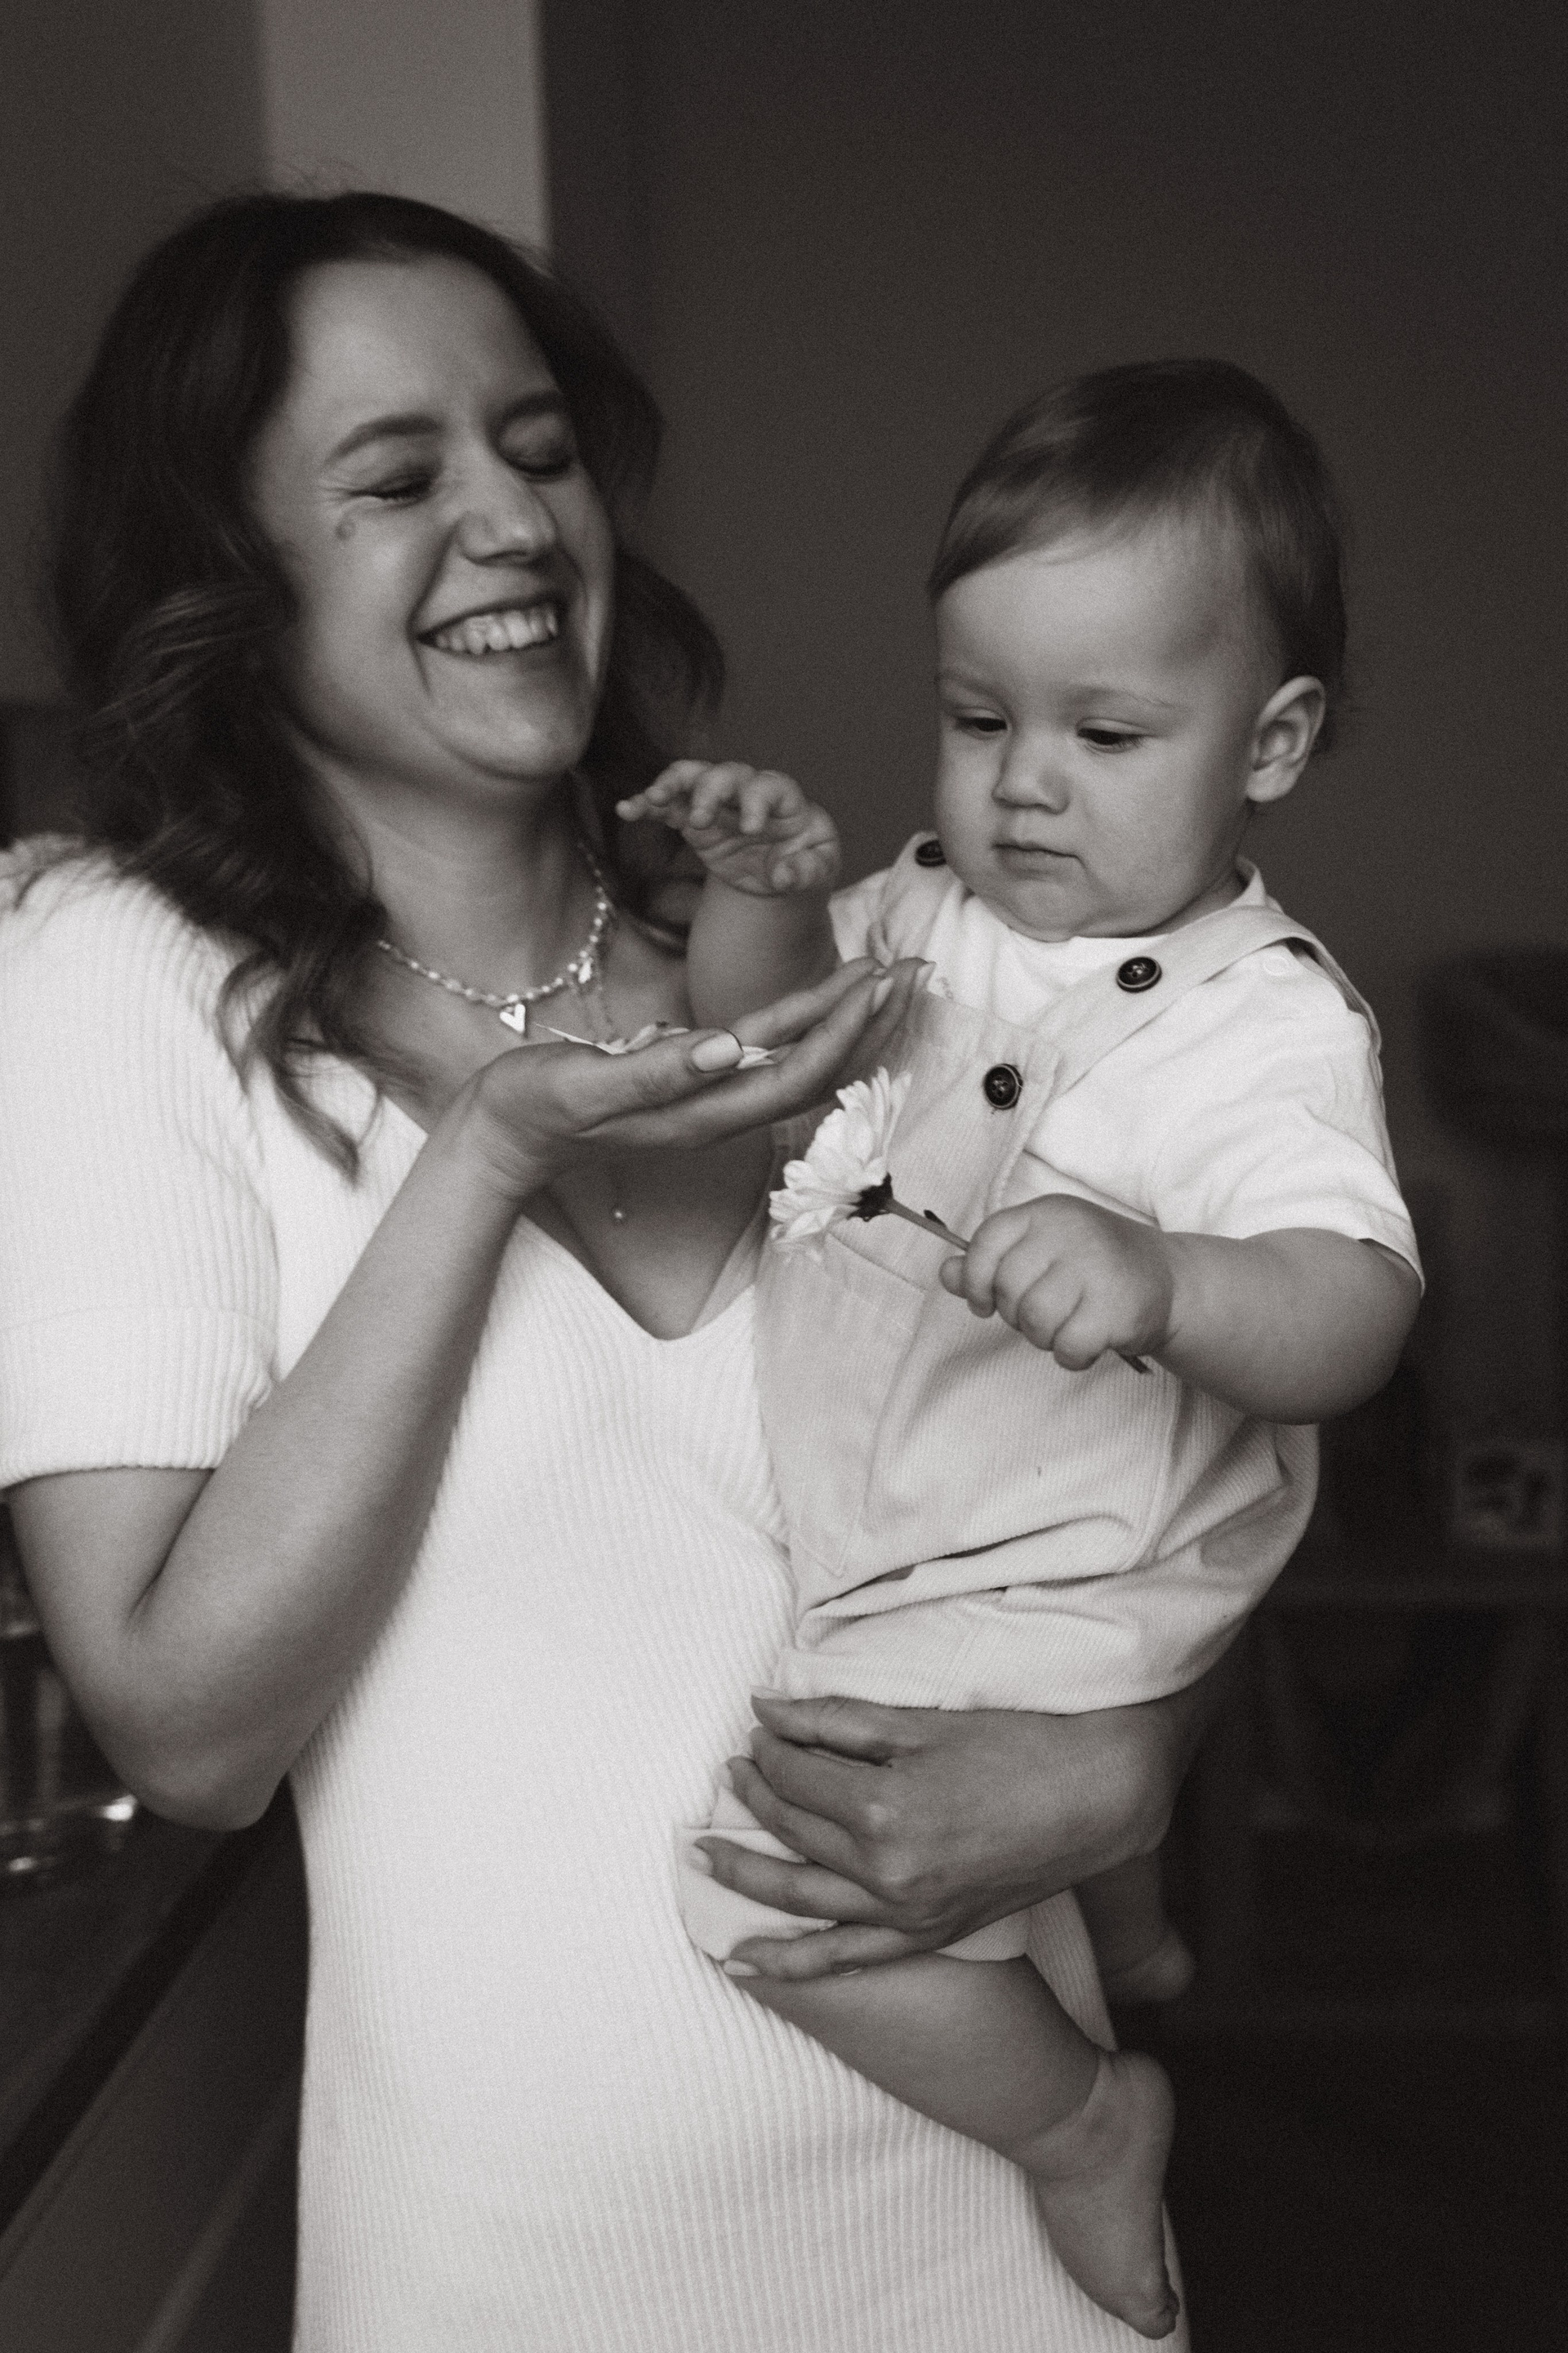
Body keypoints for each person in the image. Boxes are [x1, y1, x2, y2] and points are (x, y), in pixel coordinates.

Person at [0, 193, 1222, 2353]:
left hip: (1013, 2220)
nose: (509, 519)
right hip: (522, 2272)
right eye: (396, 478)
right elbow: (186, 1727)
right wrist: (486, 1155)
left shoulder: (817, 953)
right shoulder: (118, 978)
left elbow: (1121, 1468)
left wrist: (1139, 1754)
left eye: (540, 448)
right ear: (223, 576)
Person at [625, 361, 1422, 2338]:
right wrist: (762, 903)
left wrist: (1169, 1276)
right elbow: (765, 1056)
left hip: (1068, 1551)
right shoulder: (928, 906)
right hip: (923, 1515)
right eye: (979, 719)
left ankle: (1082, 2119)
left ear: (1271, 741)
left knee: (758, 1881)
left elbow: (1354, 1306)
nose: (1023, 781)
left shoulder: (1257, 1024)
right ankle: (1130, 1938)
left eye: (1106, 732)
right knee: (995, 1838)